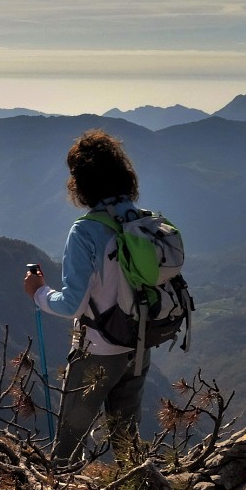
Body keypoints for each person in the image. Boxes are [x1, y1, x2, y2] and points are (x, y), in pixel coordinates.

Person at [23, 129, 150, 461]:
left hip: (97, 350)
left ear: (82, 183)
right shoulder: (139, 222)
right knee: (127, 441)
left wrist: (39, 293)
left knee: (68, 442)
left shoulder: (85, 232)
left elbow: (72, 303)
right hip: (138, 345)